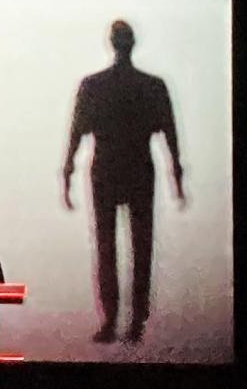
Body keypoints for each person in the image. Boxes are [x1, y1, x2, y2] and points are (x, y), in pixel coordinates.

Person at [64, 20, 185, 344]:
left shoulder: (93, 86)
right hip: (138, 167)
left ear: (112, 43)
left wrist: (67, 172)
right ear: (131, 43)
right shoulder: (152, 86)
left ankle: (111, 321)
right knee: (140, 247)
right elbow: (170, 135)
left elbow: (76, 134)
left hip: (106, 168)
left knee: (106, 248)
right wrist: (176, 176)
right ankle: (135, 323)